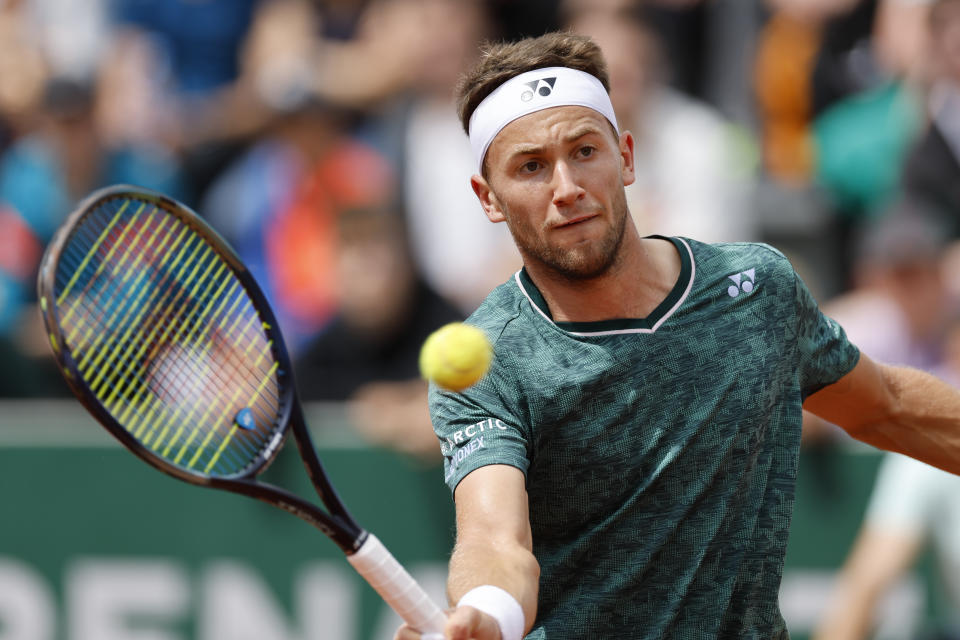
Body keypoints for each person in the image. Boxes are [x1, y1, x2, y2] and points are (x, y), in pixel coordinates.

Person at [392, 32, 960, 640]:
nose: (566, 187)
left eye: (585, 151)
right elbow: (495, 540)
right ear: (489, 199)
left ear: (627, 157)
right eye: (531, 167)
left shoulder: (756, 288)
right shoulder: (491, 359)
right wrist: (489, 614)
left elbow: (889, 409)